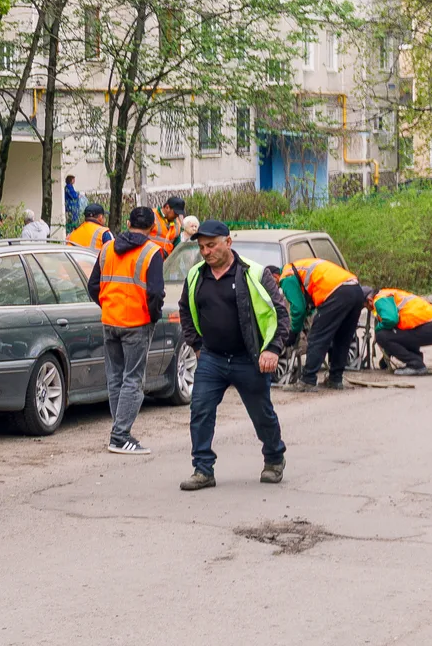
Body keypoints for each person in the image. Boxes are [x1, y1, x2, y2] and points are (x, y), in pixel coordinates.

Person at [177, 221, 290, 490]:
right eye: (202, 247)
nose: (206, 252)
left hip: (248, 359)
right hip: (212, 358)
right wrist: (197, 346)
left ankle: (274, 458)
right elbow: (185, 311)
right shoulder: (195, 276)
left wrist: (272, 349)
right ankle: (203, 469)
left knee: (262, 414)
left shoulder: (254, 274)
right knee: (200, 410)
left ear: (228, 242)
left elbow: (280, 314)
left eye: (211, 245)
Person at [86, 206, 166, 455]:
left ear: (128, 222)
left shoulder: (108, 248)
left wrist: (108, 305)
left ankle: (118, 430)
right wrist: (152, 316)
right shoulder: (152, 252)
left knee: (116, 378)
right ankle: (120, 436)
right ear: (152, 227)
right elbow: (154, 292)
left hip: (110, 321)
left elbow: (93, 285)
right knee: (133, 379)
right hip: (137, 323)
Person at [278, 257, 367, 390]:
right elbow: (309, 305)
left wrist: (294, 332)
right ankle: (335, 379)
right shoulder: (300, 269)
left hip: (338, 293)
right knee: (342, 338)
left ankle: (308, 380)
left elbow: (298, 309)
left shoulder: (286, 276)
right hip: (356, 290)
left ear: (275, 276)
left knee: (318, 336)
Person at [372, 286, 432, 376]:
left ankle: (416, 364)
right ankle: (416, 359)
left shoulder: (380, 298)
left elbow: (391, 320)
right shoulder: (390, 293)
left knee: (381, 335)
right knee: (398, 333)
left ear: (369, 299)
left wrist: (378, 328)